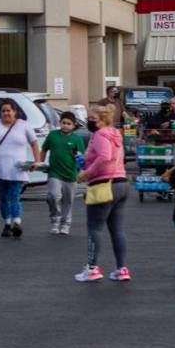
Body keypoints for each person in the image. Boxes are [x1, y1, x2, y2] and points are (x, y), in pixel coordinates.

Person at [74, 104, 131, 283]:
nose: (89, 122)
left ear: (102, 120)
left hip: (103, 183)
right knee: (117, 230)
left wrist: (86, 173)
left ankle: (92, 268)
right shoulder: (115, 134)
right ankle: (121, 268)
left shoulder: (100, 135)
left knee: (95, 227)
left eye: (92, 120)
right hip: (121, 182)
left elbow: (104, 157)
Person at [0, 100, 43, 238]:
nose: (6, 113)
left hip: (17, 168)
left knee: (14, 196)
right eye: (3, 111)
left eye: (8, 110)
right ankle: (7, 223)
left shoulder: (24, 125)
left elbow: (34, 143)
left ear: (14, 112)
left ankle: (17, 222)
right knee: (3, 197)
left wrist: (37, 161)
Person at [39, 111, 85, 235]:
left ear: (74, 125)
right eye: (63, 123)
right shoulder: (53, 135)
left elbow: (80, 157)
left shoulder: (76, 139)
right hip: (54, 173)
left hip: (70, 174)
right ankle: (55, 220)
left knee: (68, 201)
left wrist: (81, 171)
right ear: (60, 123)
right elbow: (43, 150)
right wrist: (39, 163)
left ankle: (65, 224)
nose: (65, 125)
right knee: (54, 196)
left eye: (68, 124)